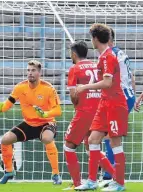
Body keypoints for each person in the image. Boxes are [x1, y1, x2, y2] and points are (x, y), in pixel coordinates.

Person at [0, 60, 62, 185]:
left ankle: (56, 174)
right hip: (29, 123)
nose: (30, 73)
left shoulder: (48, 88)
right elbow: (7, 105)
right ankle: (9, 171)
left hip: (46, 122)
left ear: (39, 72)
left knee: (47, 138)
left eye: (33, 70)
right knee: (5, 140)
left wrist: (45, 114)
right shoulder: (20, 87)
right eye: (28, 70)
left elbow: (58, 110)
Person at [75, 23, 128, 191]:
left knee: (115, 143)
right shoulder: (103, 57)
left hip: (115, 103)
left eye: (92, 37)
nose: (91, 40)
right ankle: (91, 181)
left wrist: (84, 87)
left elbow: (107, 82)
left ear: (96, 39)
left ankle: (119, 183)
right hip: (104, 103)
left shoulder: (108, 57)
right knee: (92, 140)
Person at [63, 41, 110, 190]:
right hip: (100, 111)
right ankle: (116, 177)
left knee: (69, 146)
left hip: (84, 112)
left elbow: (73, 96)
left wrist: (77, 104)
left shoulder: (74, 68)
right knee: (92, 148)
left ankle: (77, 183)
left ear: (74, 54)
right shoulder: (97, 65)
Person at [99, 27, 136, 188]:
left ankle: (112, 175)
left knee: (109, 135)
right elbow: (131, 76)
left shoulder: (110, 55)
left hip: (119, 97)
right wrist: (133, 97)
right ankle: (110, 174)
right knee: (109, 134)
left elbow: (109, 81)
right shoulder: (121, 53)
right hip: (126, 95)